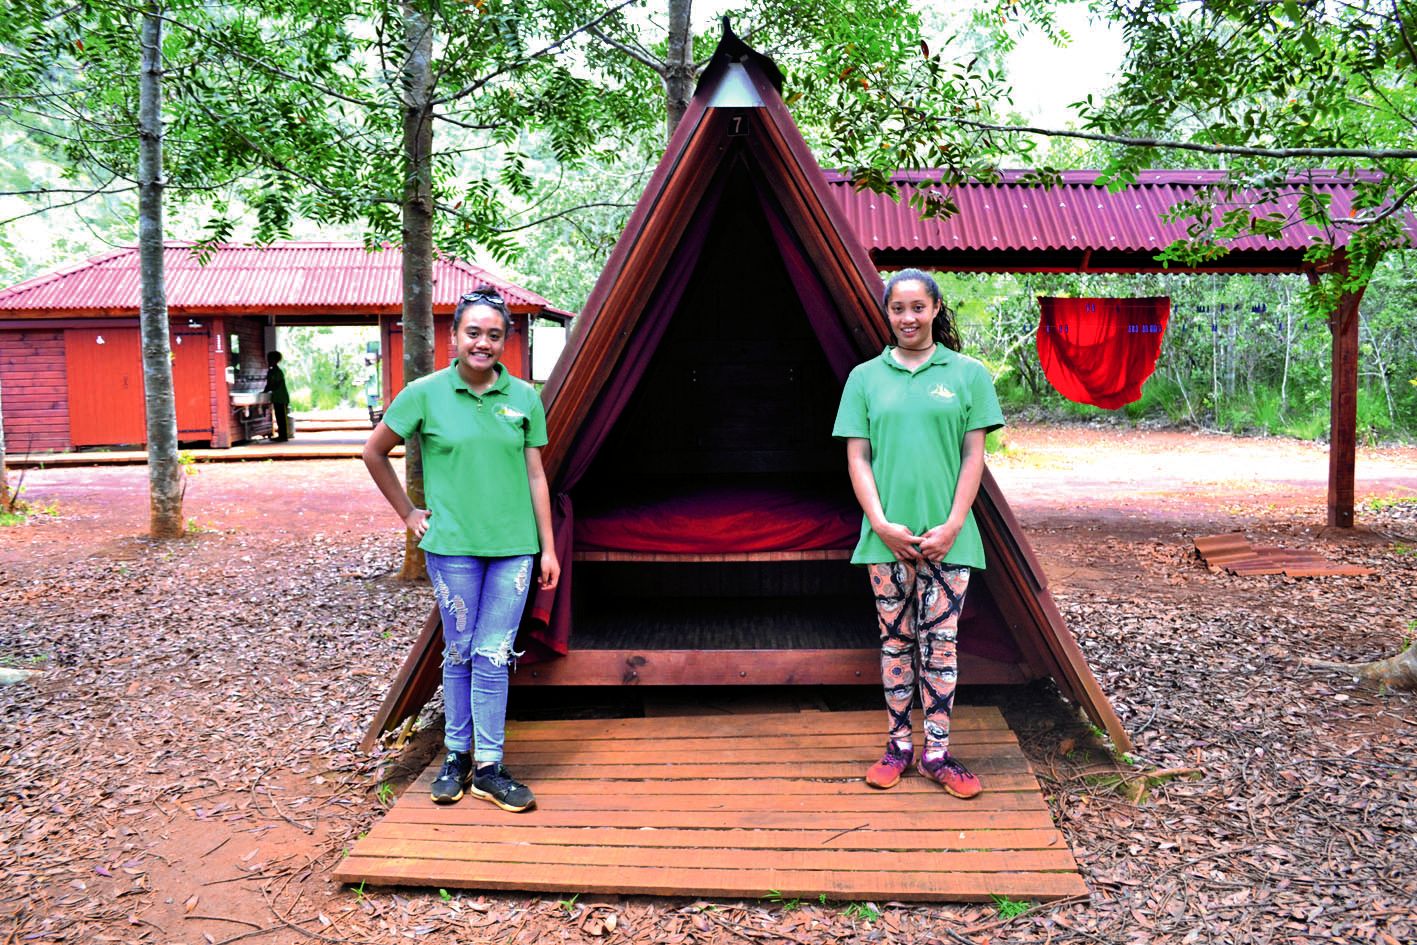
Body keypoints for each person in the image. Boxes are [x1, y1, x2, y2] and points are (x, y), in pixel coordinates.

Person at [362, 287, 559, 813]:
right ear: (455, 336)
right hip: (452, 549)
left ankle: (489, 768)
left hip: (515, 548)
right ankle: (455, 756)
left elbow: (536, 475)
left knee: (495, 655)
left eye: (494, 335)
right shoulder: (424, 394)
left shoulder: (524, 398)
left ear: (505, 341)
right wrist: (409, 514)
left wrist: (548, 549)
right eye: (473, 332)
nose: (483, 343)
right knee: (461, 650)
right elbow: (375, 452)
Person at [832, 268, 1004, 799]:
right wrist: (881, 523)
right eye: (897, 309)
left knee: (942, 645)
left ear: (934, 310)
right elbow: (857, 457)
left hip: (950, 538)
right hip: (885, 539)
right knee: (895, 642)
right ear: (887, 315)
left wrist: (953, 524)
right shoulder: (864, 378)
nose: (908, 318)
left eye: (917, 307)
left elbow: (974, 454)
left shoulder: (969, 374)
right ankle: (897, 748)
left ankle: (937, 753)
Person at [263, 351, 291, 442]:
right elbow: (269, 384)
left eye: (270, 359)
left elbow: (275, 384)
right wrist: (264, 391)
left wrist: (265, 391)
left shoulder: (277, 372)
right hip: (277, 398)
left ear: (275, 360)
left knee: (282, 418)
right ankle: (281, 436)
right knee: (279, 417)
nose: (268, 361)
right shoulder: (271, 371)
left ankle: (284, 436)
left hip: (281, 398)